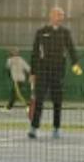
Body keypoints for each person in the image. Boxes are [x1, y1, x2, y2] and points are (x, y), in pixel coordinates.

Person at [28, 7, 80, 139]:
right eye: (58, 14)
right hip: (43, 70)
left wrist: (75, 63)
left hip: (58, 71)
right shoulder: (41, 32)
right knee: (39, 99)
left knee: (57, 100)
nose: (61, 17)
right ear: (51, 16)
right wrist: (33, 72)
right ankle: (34, 128)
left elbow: (71, 49)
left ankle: (56, 128)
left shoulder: (65, 32)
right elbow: (35, 53)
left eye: (62, 15)